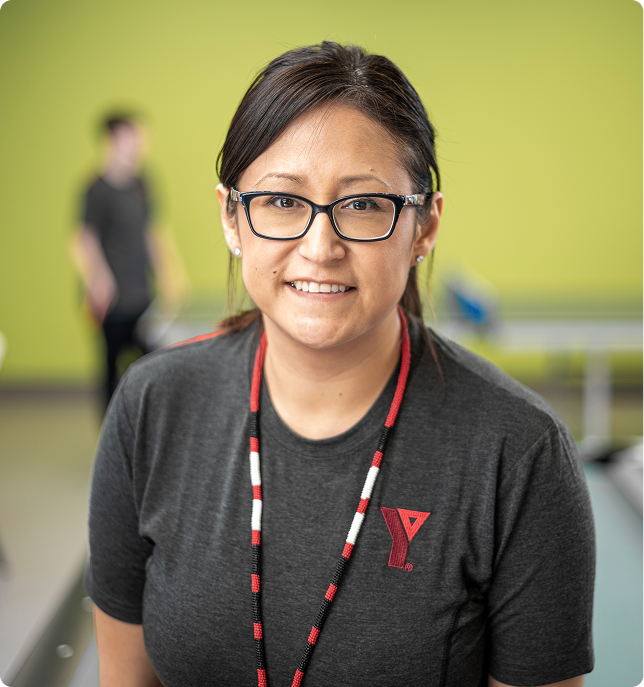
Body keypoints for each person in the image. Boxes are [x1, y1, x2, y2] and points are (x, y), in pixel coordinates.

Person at [85, 43, 595, 687]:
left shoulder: (519, 452)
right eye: (281, 201)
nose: (320, 248)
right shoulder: (150, 407)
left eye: (362, 205)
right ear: (231, 218)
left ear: (425, 227)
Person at [71, 114, 186, 412]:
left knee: (153, 363)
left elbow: (153, 230)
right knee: (110, 367)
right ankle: (112, 441)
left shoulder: (142, 182)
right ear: (112, 140)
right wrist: (98, 279)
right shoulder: (95, 189)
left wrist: (169, 272)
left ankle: (147, 430)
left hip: (141, 293)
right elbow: (82, 238)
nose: (139, 144)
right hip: (110, 300)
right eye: (131, 137)